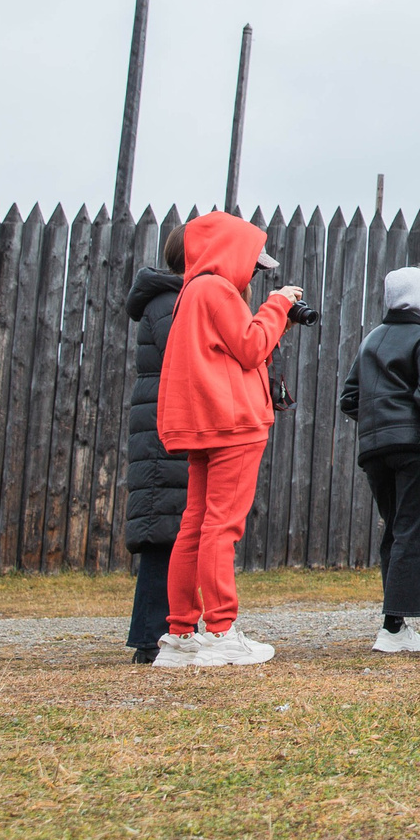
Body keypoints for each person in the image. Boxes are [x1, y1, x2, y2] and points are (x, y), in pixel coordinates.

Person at [153, 211, 302, 668]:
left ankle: (180, 633)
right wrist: (277, 305)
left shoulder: (192, 291)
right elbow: (250, 347)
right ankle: (220, 631)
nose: (253, 273)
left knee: (195, 525)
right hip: (234, 424)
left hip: (207, 424)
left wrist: (272, 318)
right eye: (254, 264)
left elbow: (228, 351)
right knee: (222, 526)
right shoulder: (217, 289)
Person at [340, 264, 420, 654]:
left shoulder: (371, 340)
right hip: (415, 445)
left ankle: (394, 621)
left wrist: (379, 419)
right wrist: (415, 410)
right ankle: (394, 628)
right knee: (412, 529)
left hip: (374, 449)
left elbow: (348, 398)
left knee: (393, 529)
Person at [120, 228, 187, 663]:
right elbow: (187, 351)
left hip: (164, 424)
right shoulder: (168, 303)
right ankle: (151, 637)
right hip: (166, 430)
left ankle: (165, 631)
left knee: (171, 530)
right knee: (163, 533)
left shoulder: (171, 299)